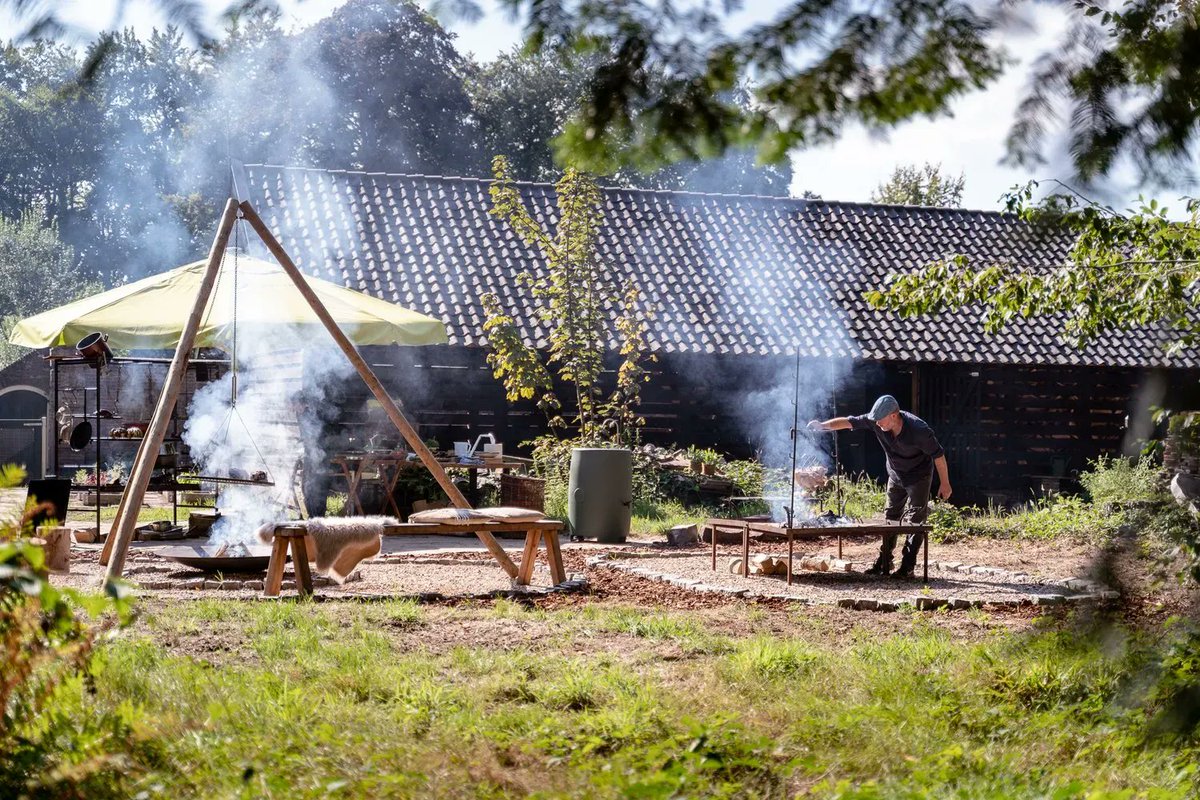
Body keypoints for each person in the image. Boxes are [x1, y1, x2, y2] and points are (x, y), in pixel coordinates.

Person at [807, 395, 951, 578]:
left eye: (880, 420)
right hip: (895, 474)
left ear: (893, 415)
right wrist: (823, 426)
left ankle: (907, 566)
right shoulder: (876, 421)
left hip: (918, 476)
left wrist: (945, 483)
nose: (877, 423)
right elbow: (849, 422)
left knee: (915, 520)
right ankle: (885, 561)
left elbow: (938, 456)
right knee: (891, 516)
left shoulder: (919, 430)